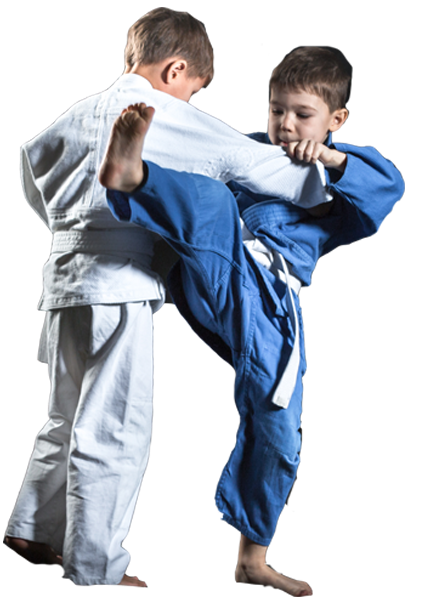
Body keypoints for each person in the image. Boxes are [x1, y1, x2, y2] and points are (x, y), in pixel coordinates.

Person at [5, 11, 331, 589]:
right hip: (119, 283)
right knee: (112, 431)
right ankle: (96, 572)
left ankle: (30, 528)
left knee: (64, 416)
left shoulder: (73, 113)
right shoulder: (166, 113)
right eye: (191, 87)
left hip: (60, 283)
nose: (189, 97)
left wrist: (67, 225)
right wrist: (319, 172)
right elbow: (257, 166)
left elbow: (32, 169)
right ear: (175, 68)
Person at [99, 46, 405, 596]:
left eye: (302, 115)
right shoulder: (248, 150)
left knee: (278, 424)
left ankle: (251, 559)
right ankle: (133, 176)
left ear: (335, 121)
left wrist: (332, 161)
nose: (286, 125)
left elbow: (389, 189)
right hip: (208, 271)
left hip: (265, 300)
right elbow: (200, 154)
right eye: (276, 110)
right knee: (213, 199)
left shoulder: (338, 172)